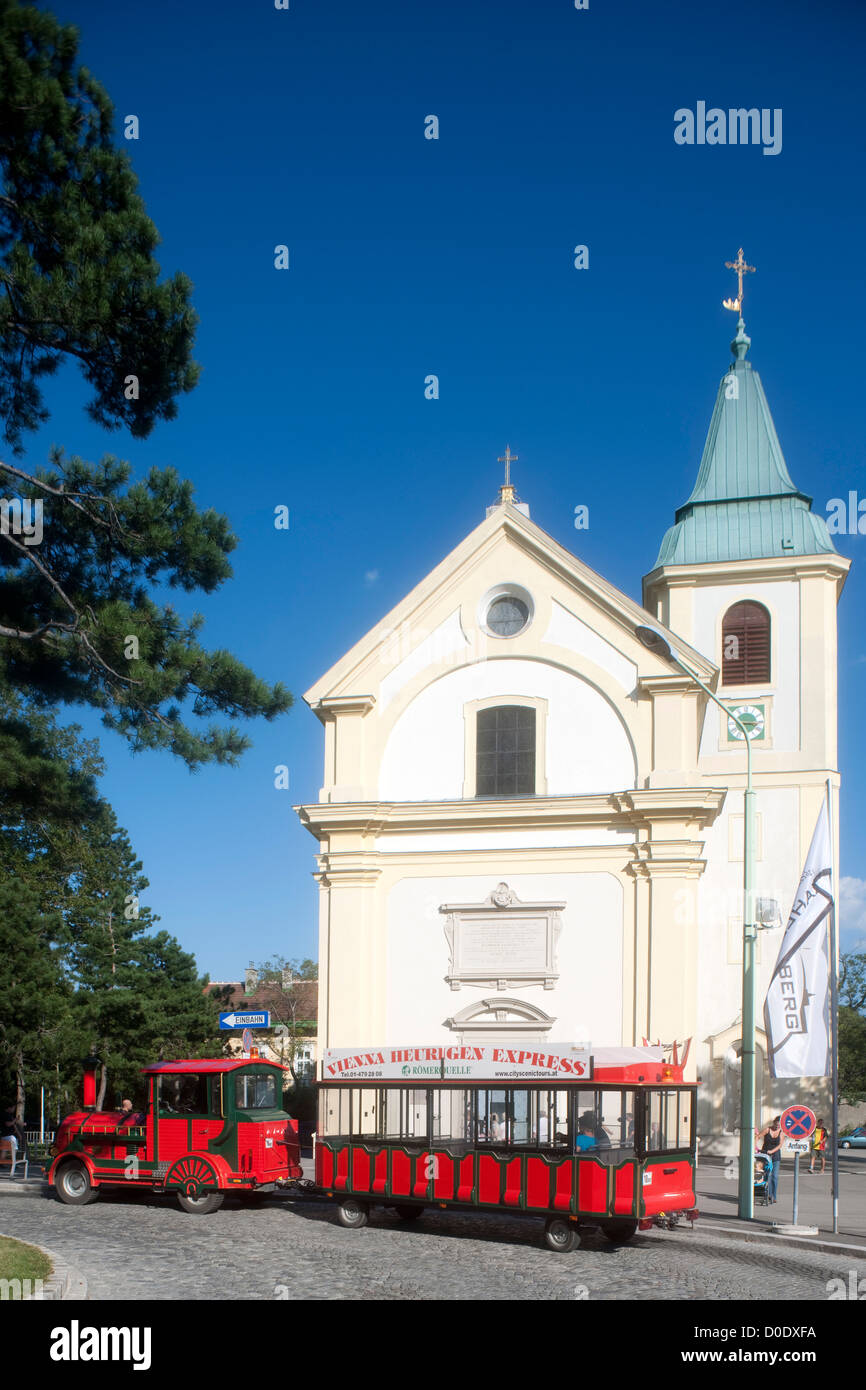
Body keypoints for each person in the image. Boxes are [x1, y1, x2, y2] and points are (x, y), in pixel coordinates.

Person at [757, 1116, 782, 1203]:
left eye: (779, 1126)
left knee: (774, 1176)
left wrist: (772, 1151)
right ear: (774, 1122)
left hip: (775, 1156)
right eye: (776, 1124)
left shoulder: (781, 1132)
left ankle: (773, 1196)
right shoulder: (767, 1130)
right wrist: (754, 1146)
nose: (777, 1127)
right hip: (765, 1156)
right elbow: (758, 1136)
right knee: (767, 1175)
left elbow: (780, 1145)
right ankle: (766, 1194)